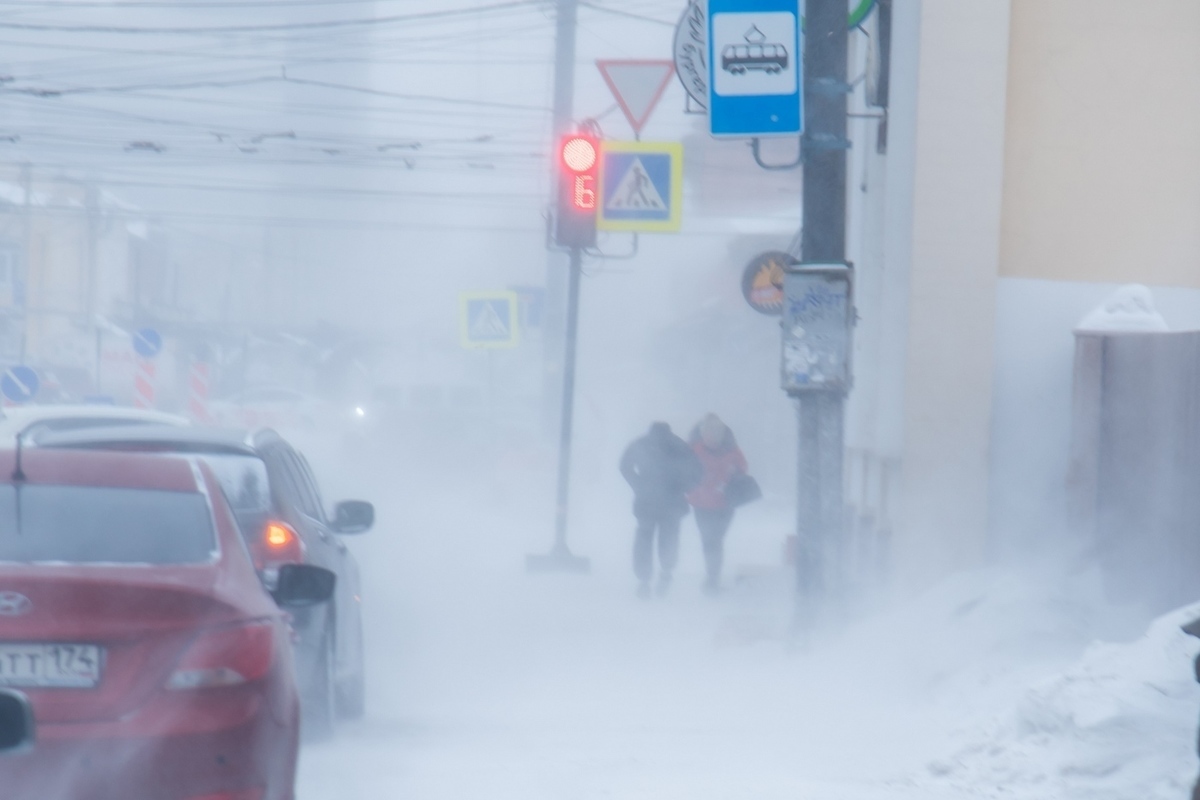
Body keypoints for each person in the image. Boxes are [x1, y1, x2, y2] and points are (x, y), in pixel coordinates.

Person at [619, 422, 702, 599]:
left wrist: (638, 484)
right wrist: (684, 487)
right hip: (670, 503)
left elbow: (625, 466)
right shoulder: (679, 445)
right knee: (668, 539)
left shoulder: (640, 444)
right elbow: (698, 471)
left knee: (644, 541)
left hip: (648, 502)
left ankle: (645, 580)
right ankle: (665, 573)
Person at [687, 413, 748, 595]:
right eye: (708, 434)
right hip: (704, 503)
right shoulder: (696, 449)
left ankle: (712, 577)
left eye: (715, 434)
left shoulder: (729, 450)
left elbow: (742, 468)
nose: (712, 438)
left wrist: (730, 478)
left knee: (713, 540)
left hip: (722, 503)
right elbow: (685, 469)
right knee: (711, 540)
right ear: (703, 433)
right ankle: (712, 577)